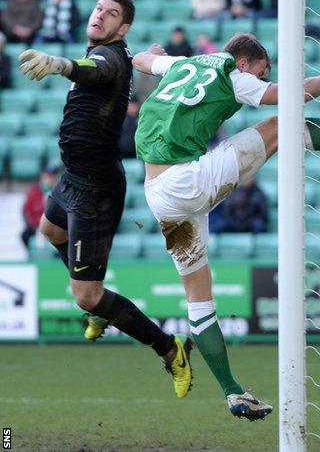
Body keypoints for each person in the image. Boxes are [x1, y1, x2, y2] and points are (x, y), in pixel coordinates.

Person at [132, 32, 320, 420]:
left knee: (199, 299)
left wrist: (152, 53)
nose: (261, 78)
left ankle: (234, 393)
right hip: (187, 182)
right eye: (262, 72)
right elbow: (294, 93)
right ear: (247, 62)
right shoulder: (234, 73)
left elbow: (141, 62)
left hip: (158, 193)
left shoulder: (182, 62)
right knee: (281, 123)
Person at [19, 0, 193, 400]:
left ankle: (169, 348)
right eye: (98, 8)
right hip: (74, 175)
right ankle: (97, 306)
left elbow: (90, 70)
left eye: (110, 14)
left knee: (87, 294)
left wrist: (59, 64)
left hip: (96, 188)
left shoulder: (110, 57)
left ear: (123, 28)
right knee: (50, 231)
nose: (99, 16)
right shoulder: (111, 52)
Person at [21, 164, 59, 250]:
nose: (51, 178)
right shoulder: (34, 192)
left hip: (55, 227)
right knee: (25, 235)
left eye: (53, 176)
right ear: (43, 176)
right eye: (49, 176)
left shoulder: (60, 192)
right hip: (37, 226)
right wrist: (36, 226)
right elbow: (26, 211)